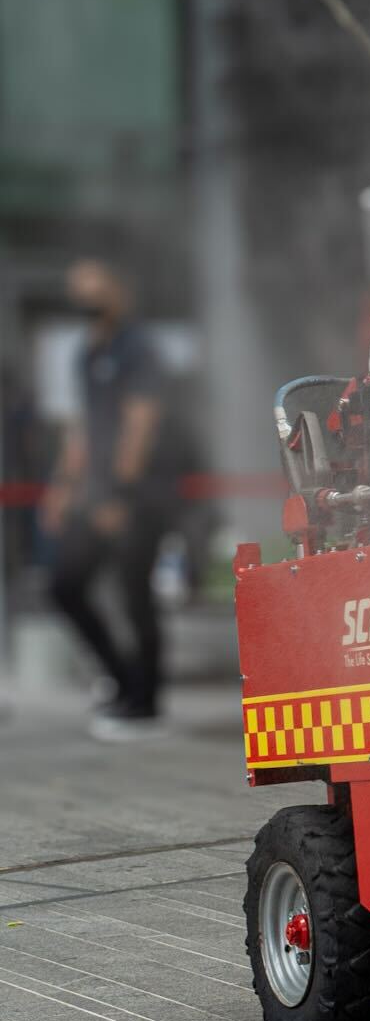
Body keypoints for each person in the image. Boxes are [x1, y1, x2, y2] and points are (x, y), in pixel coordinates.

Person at [39, 258, 181, 740]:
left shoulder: (138, 347)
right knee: (65, 584)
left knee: (133, 593)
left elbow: (140, 422)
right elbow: (82, 427)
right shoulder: (86, 352)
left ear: (118, 290)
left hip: (139, 493)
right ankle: (123, 681)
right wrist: (62, 487)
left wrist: (120, 493)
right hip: (96, 493)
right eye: (77, 289)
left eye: (93, 287)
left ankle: (145, 703)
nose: (84, 298)